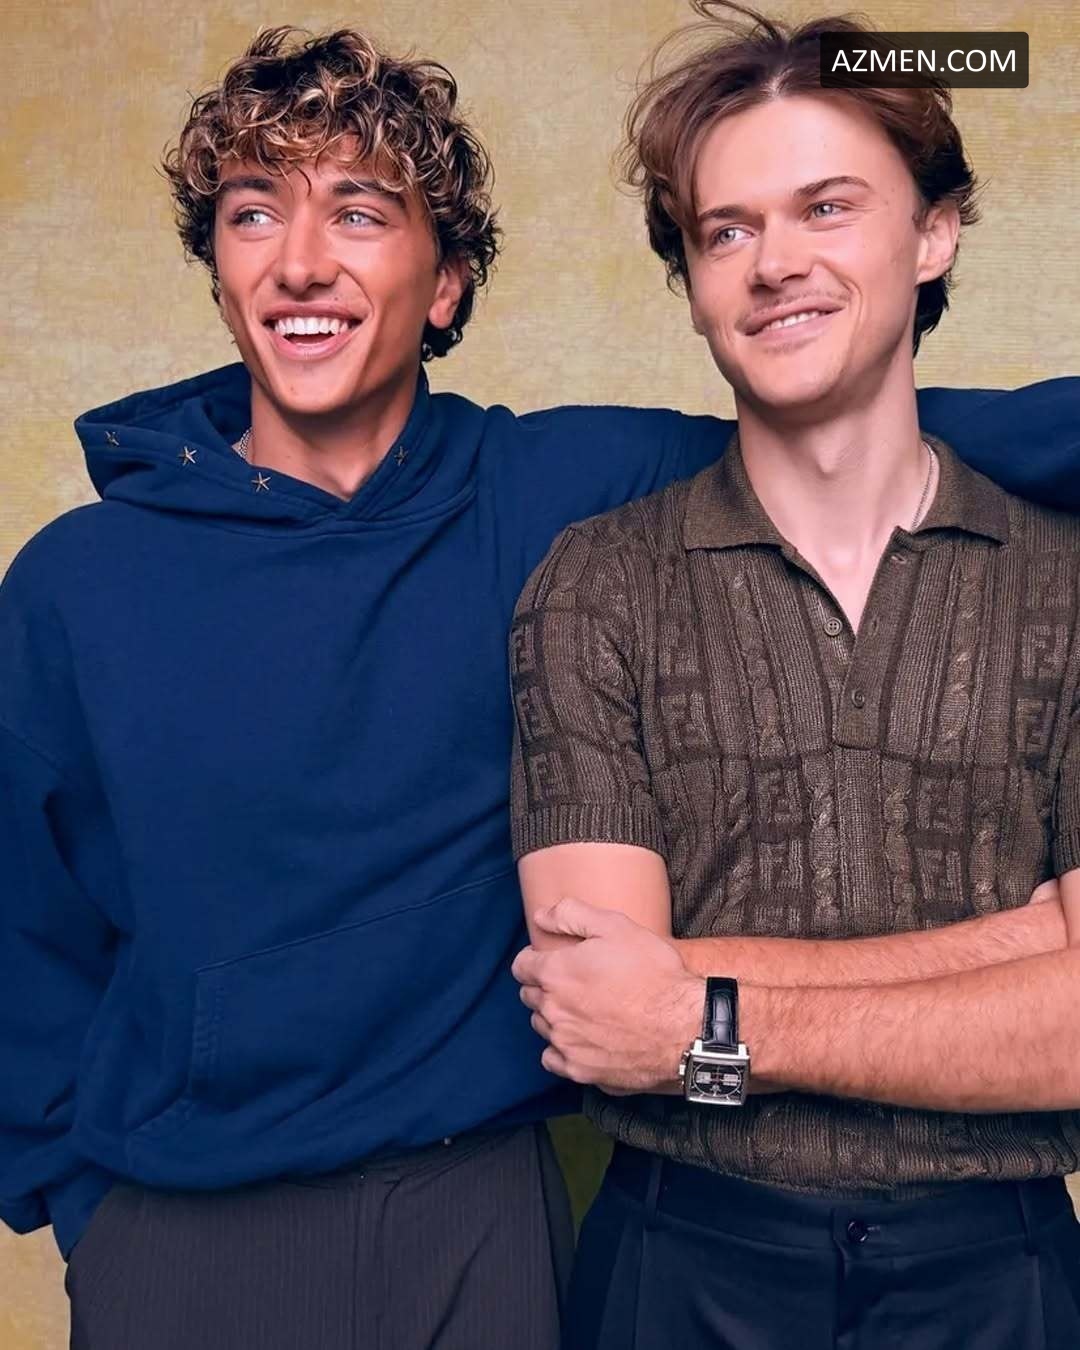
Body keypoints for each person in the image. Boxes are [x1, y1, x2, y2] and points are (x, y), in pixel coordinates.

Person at [1, 18, 1077, 1350]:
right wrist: (86, 1213)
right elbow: (25, 932)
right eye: (252, 213)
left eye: (359, 211)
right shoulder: (78, 584)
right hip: (184, 1226)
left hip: (478, 1209)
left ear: (447, 283)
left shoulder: (549, 491)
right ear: (219, 272)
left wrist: (696, 1013)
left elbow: (842, 420)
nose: (300, 260)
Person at [510, 7, 1080, 1348]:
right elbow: (604, 1018)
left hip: (999, 1269)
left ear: (934, 233)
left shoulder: (1066, 583)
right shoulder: (596, 582)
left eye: (827, 206)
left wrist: (703, 1019)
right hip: (681, 1256)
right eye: (727, 230)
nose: (775, 264)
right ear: (693, 280)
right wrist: (1027, 953)